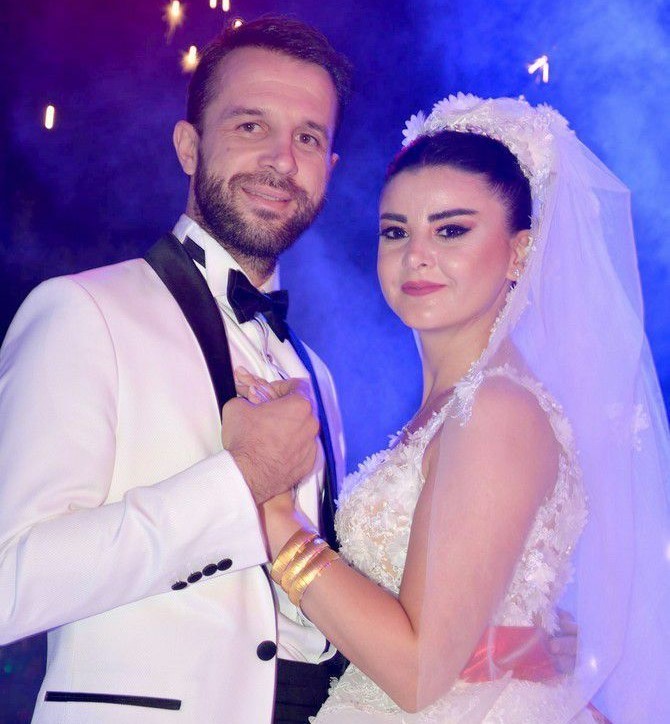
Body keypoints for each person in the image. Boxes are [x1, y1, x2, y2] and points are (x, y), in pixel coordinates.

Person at [245, 95, 670, 721]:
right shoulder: (455, 405)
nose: (416, 255)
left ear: (520, 252)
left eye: (451, 230)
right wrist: (518, 642)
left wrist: (274, 515)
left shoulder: (495, 409)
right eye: (396, 231)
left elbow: (417, 673)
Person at [0, 17, 353, 723]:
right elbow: (9, 584)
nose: (282, 161)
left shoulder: (316, 371)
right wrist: (241, 481)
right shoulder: (82, 312)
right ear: (189, 147)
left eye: (308, 138)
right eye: (251, 126)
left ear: (330, 168)